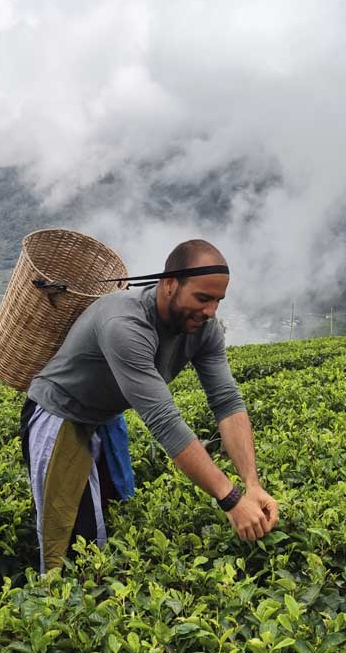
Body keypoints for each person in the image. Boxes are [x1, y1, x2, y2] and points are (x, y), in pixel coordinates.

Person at [20, 238, 280, 572]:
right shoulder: (125, 325)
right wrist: (230, 500)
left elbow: (227, 402)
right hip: (59, 416)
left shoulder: (205, 330)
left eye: (217, 300)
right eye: (202, 298)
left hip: (105, 419)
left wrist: (252, 485)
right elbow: (165, 422)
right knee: (73, 546)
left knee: (112, 524)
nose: (210, 311)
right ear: (169, 285)